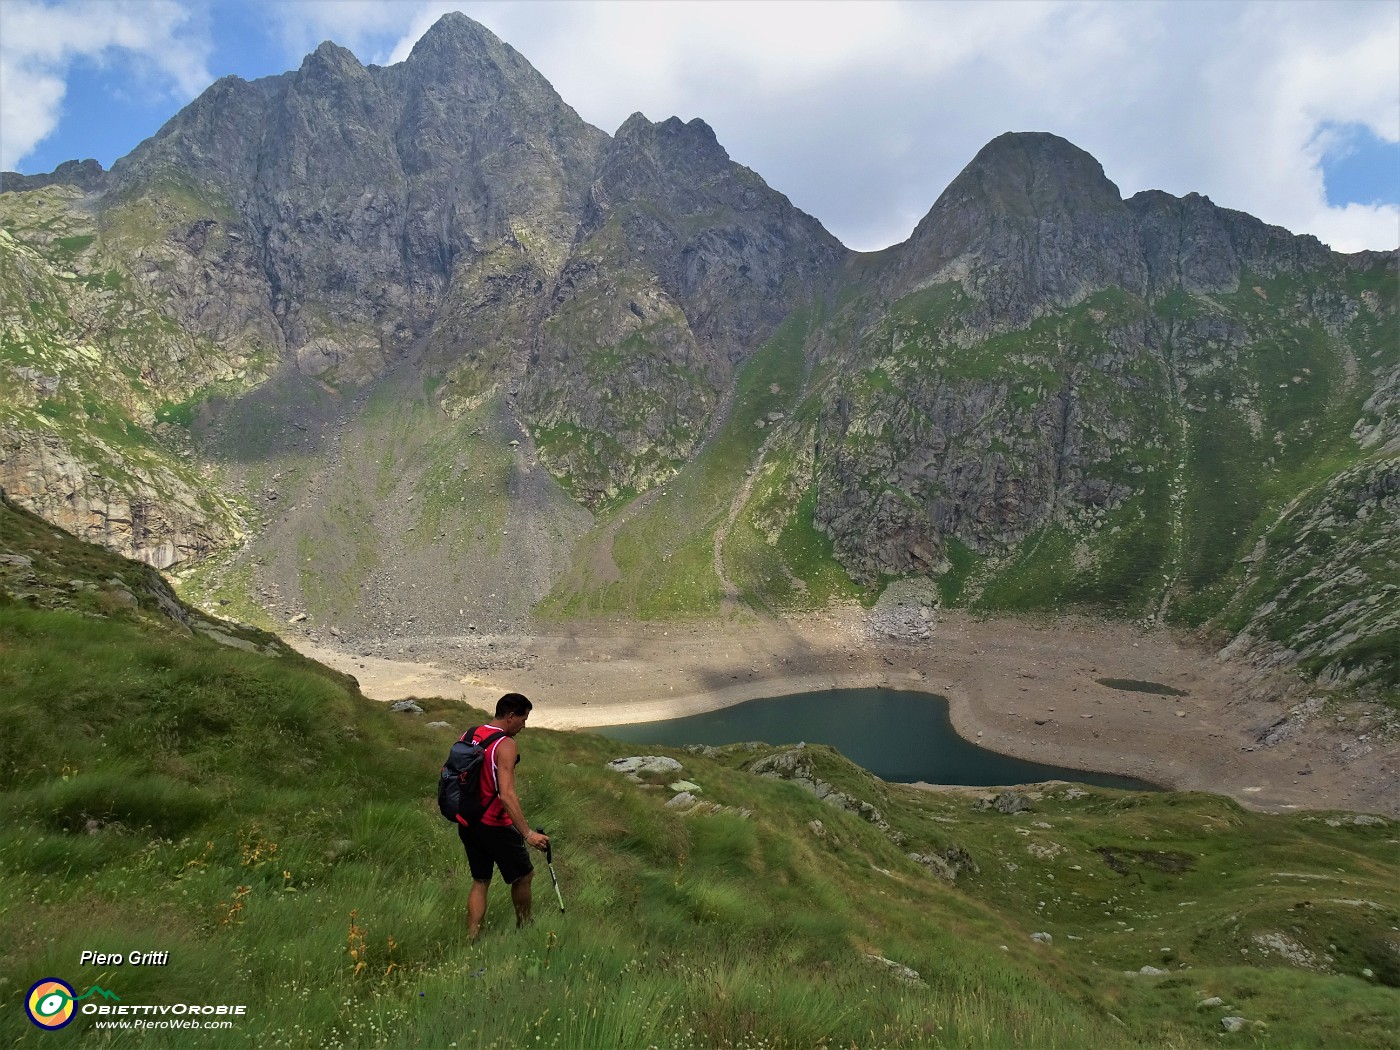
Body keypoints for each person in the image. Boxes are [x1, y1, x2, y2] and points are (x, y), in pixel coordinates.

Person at [460, 692, 550, 940]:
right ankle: (525, 928)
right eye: (523, 719)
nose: (524, 725)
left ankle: (472, 936)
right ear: (511, 716)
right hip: (494, 823)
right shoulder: (506, 744)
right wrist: (528, 833)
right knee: (524, 876)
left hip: (468, 821)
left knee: (480, 880)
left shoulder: (471, 734)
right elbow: (506, 794)